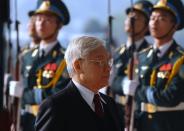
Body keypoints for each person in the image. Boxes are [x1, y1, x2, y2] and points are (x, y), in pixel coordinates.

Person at [35, 36, 122, 131]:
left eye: (108, 62)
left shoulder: (109, 104)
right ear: (78, 66)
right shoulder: (56, 107)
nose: (108, 68)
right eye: (99, 62)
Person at [123, 0, 184, 131]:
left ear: (174, 25)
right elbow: (137, 102)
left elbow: (170, 97)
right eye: (152, 18)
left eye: (162, 18)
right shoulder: (141, 56)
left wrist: (139, 91)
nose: (154, 22)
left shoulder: (180, 58)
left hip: (170, 125)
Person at [20, 0, 71, 131]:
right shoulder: (27, 56)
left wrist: (28, 95)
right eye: (38, 19)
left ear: (58, 25)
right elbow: (21, 90)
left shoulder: (65, 58)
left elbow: (59, 96)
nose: (41, 23)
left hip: (52, 123)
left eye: (47, 20)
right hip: (26, 122)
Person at [110, 0, 153, 127]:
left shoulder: (150, 54)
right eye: (129, 17)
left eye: (137, 18)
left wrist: (118, 82)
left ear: (146, 26)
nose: (131, 20)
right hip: (117, 113)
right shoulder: (116, 53)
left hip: (140, 116)